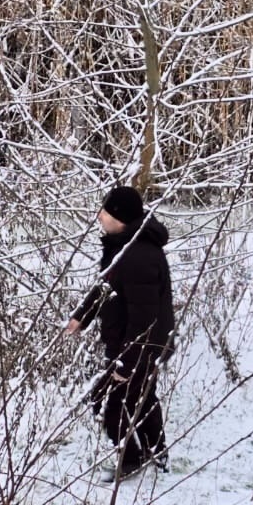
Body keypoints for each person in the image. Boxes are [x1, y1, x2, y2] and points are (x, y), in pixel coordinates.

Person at [64, 186, 175, 482]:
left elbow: (143, 318)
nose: (99, 215)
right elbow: (107, 287)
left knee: (107, 401)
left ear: (120, 217)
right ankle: (157, 453)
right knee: (142, 397)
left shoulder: (138, 256)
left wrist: (127, 363)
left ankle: (131, 459)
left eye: (105, 211)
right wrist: (82, 316)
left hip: (140, 345)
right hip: (138, 344)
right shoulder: (124, 246)